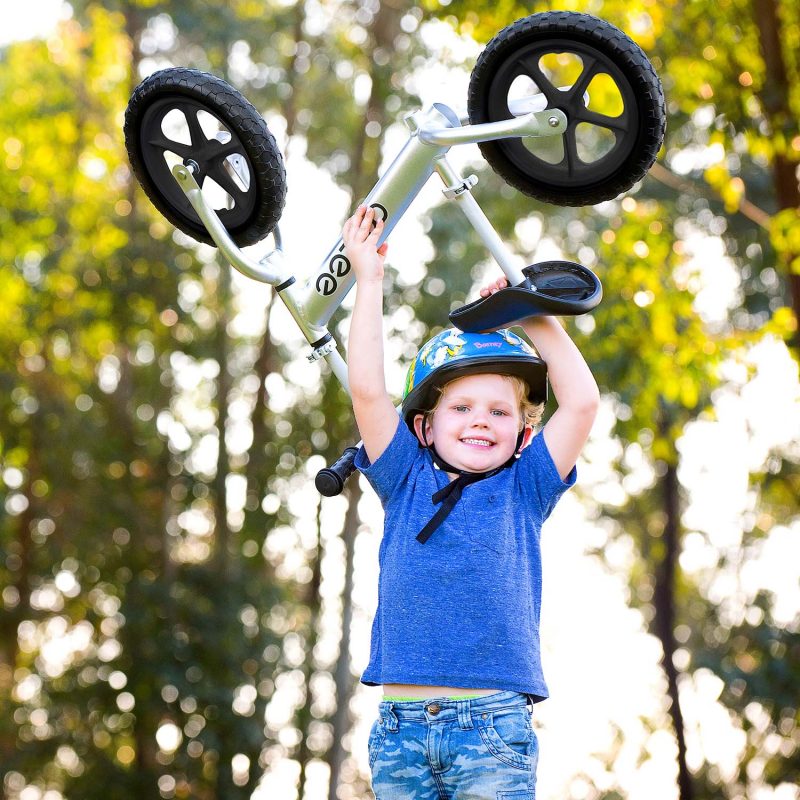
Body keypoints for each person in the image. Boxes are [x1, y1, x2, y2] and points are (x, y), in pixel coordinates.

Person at [343, 204, 600, 799]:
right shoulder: (404, 477)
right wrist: (369, 279)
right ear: (424, 426)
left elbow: (582, 403)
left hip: (492, 727)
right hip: (400, 730)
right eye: (461, 407)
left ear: (525, 433)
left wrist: (530, 313)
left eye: (499, 411)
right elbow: (368, 392)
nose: (480, 421)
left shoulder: (526, 487)